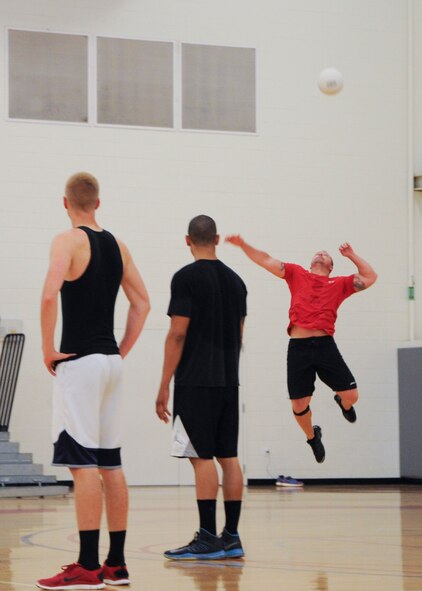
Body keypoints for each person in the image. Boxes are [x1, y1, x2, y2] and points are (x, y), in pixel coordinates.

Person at [38, 172, 150, 590]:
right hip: (110, 363)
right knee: (110, 464)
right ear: (98, 204)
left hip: (80, 363)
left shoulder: (66, 241)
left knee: (82, 465)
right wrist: (120, 350)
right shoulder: (118, 245)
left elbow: (50, 295)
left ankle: (86, 566)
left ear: (65, 203)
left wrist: (47, 347)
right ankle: (115, 565)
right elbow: (143, 302)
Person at [225, 236, 377, 463]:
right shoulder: (297, 274)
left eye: (326, 254)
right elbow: (266, 260)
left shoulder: (340, 284)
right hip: (299, 347)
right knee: (299, 403)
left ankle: (342, 403)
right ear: (311, 263)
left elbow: (370, 277)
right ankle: (312, 436)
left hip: (325, 346)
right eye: (318, 252)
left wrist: (351, 255)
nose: (321, 253)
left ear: (331, 266)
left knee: (352, 396)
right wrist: (244, 245)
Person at [155, 215, 247, 560]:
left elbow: (178, 333)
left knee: (200, 456)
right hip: (228, 380)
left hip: (196, 380)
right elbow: (239, 334)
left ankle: (208, 536)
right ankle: (232, 536)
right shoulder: (237, 282)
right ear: (218, 239)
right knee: (229, 457)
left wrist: (164, 384)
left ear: (187, 240)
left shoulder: (186, 278)